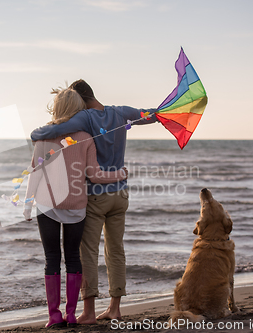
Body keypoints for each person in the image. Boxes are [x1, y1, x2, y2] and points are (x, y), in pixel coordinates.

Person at [30, 79, 159, 324]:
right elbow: (149, 115)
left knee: (87, 253)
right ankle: (115, 308)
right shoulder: (121, 113)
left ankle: (88, 312)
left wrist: (35, 134)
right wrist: (167, 111)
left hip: (97, 195)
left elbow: (51, 131)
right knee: (116, 251)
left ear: (78, 99)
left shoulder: (84, 119)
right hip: (120, 195)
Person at [24, 87, 128, 328]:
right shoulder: (85, 138)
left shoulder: (43, 137)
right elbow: (95, 175)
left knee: (52, 258)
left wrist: (28, 204)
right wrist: (120, 174)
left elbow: (35, 174)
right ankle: (71, 315)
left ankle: (54, 316)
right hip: (78, 207)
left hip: (47, 205)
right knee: (73, 258)